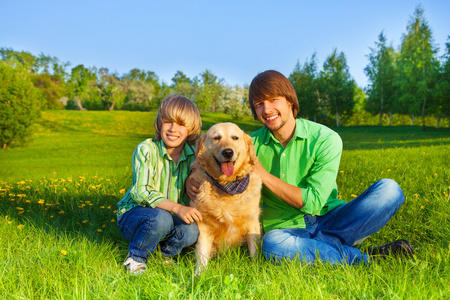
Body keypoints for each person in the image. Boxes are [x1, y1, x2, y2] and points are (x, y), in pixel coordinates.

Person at [187, 70, 413, 265]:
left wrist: (263, 175)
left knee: (389, 190)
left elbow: (313, 203)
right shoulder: (245, 143)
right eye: (259, 104)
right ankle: (364, 257)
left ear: (290, 101)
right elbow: (209, 158)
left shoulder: (326, 138)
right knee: (274, 245)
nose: (267, 109)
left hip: (330, 217)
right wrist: (192, 180)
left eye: (273, 99)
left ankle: (317, 248)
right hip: (284, 230)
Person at [117, 94, 203, 274]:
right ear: (159, 123)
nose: (173, 129)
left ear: (191, 129)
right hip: (135, 216)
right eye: (168, 121)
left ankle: (164, 255)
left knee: (192, 230)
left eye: (181, 124)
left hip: (167, 219)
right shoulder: (146, 149)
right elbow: (141, 191)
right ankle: (136, 258)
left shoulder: (192, 157)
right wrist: (178, 208)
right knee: (160, 218)